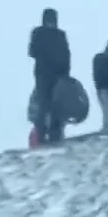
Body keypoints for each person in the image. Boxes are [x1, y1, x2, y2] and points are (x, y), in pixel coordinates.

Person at [28, 8, 72, 143]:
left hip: (55, 75)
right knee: (45, 103)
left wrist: (66, 73)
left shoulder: (57, 34)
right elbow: (33, 51)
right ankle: (42, 135)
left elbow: (66, 54)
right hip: (45, 74)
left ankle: (54, 134)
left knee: (55, 104)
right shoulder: (41, 33)